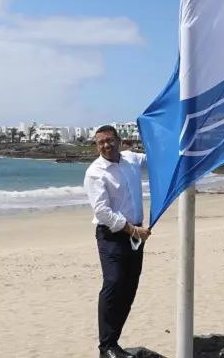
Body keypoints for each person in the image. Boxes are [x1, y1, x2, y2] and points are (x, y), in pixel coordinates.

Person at [85, 124, 150, 358]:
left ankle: (114, 343)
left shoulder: (132, 159)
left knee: (129, 289)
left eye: (109, 140)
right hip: (112, 235)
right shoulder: (95, 172)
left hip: (135, 235)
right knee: (113, 284)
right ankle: (106, 348)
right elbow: (102, 212)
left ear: (119, 141)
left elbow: (155, 157)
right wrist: (133, 230)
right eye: (101, 142)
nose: (106, 145)